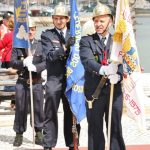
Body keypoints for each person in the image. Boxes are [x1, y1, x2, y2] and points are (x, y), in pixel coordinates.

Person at [79, 2, 126, 150]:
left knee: (115, 126)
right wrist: (104, 70)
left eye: (102, 20)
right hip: (94, 92)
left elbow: (126, 61)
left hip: (114, 90)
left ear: (110, 21)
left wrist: (118, 75)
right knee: (95, 128)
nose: (98, 24)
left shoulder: (118, 41)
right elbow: (87, 62)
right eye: (96, 20)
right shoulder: (86, 40)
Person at [41, 3, 80, 150]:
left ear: (67, 18)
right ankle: (48, 145)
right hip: (54, 79)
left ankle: (72, 144)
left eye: (62, 18)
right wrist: (64, 47)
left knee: (72, 112)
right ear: (52, 19)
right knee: (50, 113)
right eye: (56, 18)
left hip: (71, 79)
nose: (59, 21)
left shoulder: (74, 33)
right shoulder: (47, 35)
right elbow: (50, 56)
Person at [10, 19, 45, 147]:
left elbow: (45, 62)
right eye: (28, 29)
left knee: (38, 109)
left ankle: (39, 132)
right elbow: (12, 62)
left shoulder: (40, 45)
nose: (30, 31)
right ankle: (19, 134)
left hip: (36, 82)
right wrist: (23, 63)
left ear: (35, 30)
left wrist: (36, 68)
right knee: (20, 108)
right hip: (22, 82)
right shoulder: (18, 45)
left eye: (32, 29)